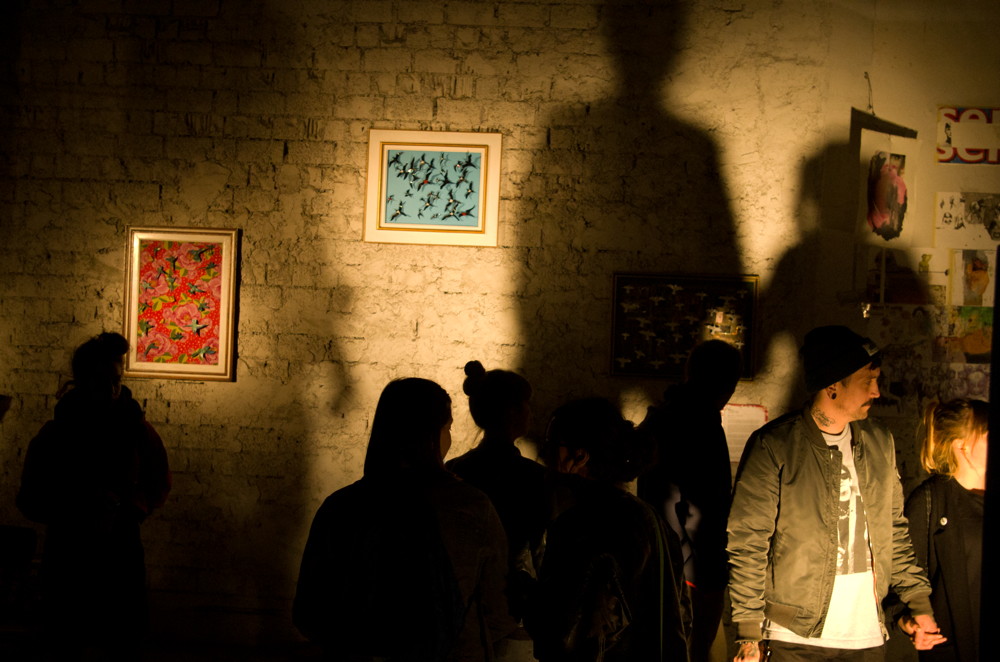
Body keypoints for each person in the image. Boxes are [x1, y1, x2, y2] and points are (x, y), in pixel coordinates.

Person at [727, 325, 939, 662]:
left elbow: (894, 532)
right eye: (867, 381)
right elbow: (748, 542)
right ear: (832, 386)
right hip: (795, 636)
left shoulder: (879, 441)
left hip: (867, 636)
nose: (876, 392)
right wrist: (748, 632)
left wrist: (918, 603)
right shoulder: (775, 445)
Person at [293, 378, 516, 662]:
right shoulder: (470, 507)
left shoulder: (341, 507)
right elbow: (499, 609)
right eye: (447, 427)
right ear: (431, 435)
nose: (449, 437)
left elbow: (309, 613)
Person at [17, 332, 171, 661]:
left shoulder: (136, 429)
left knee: (120, 639)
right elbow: (30, 497)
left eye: (117, 380)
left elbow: (159, 483)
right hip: (70, 552)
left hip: (119, 551)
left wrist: (128, 507)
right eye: (103, 381)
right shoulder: (57, 434)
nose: (112, 390)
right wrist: (76, 505)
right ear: (84, 381)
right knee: (68, 638)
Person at [526, 398, 689, 662]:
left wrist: (525, 595)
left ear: (579, 457)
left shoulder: (579, 527)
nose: (543, 455)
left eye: (551, 444)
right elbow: (681, 615)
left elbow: (560, 632)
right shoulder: (651, 519)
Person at [638, 339, 741, 662]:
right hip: (690, 570)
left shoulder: (666, 416)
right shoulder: (697, 422)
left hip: (676, 564)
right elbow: (698, 504)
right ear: (727, 384)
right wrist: (704, 576)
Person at [446, 360, 546, 622]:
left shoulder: (453, 469)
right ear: (512, 412)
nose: (531, 413)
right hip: (509, 600)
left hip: (457, 599)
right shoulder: (532, 476)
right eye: (526, 405)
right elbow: (541, 552)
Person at [896, 398, 986, 662]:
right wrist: (910, 624)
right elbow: (903, 579)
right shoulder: (930, 501)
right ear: (962, 445)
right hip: (954, 649)